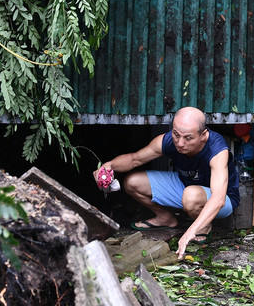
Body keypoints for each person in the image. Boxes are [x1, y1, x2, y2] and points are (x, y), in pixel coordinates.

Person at [93, 107, 240, 259]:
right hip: (186, 186)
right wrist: (108, 166)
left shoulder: (217, 150)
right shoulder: (169, 140)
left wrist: (190, 231)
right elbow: (134, 159)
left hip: (222, 199)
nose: (180, 143)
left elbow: (218, 199)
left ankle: (204, 225)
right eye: (176, 134)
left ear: (203, 135)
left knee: (191, 195)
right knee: (132, 182)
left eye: (188, 138)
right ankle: (165, 218)